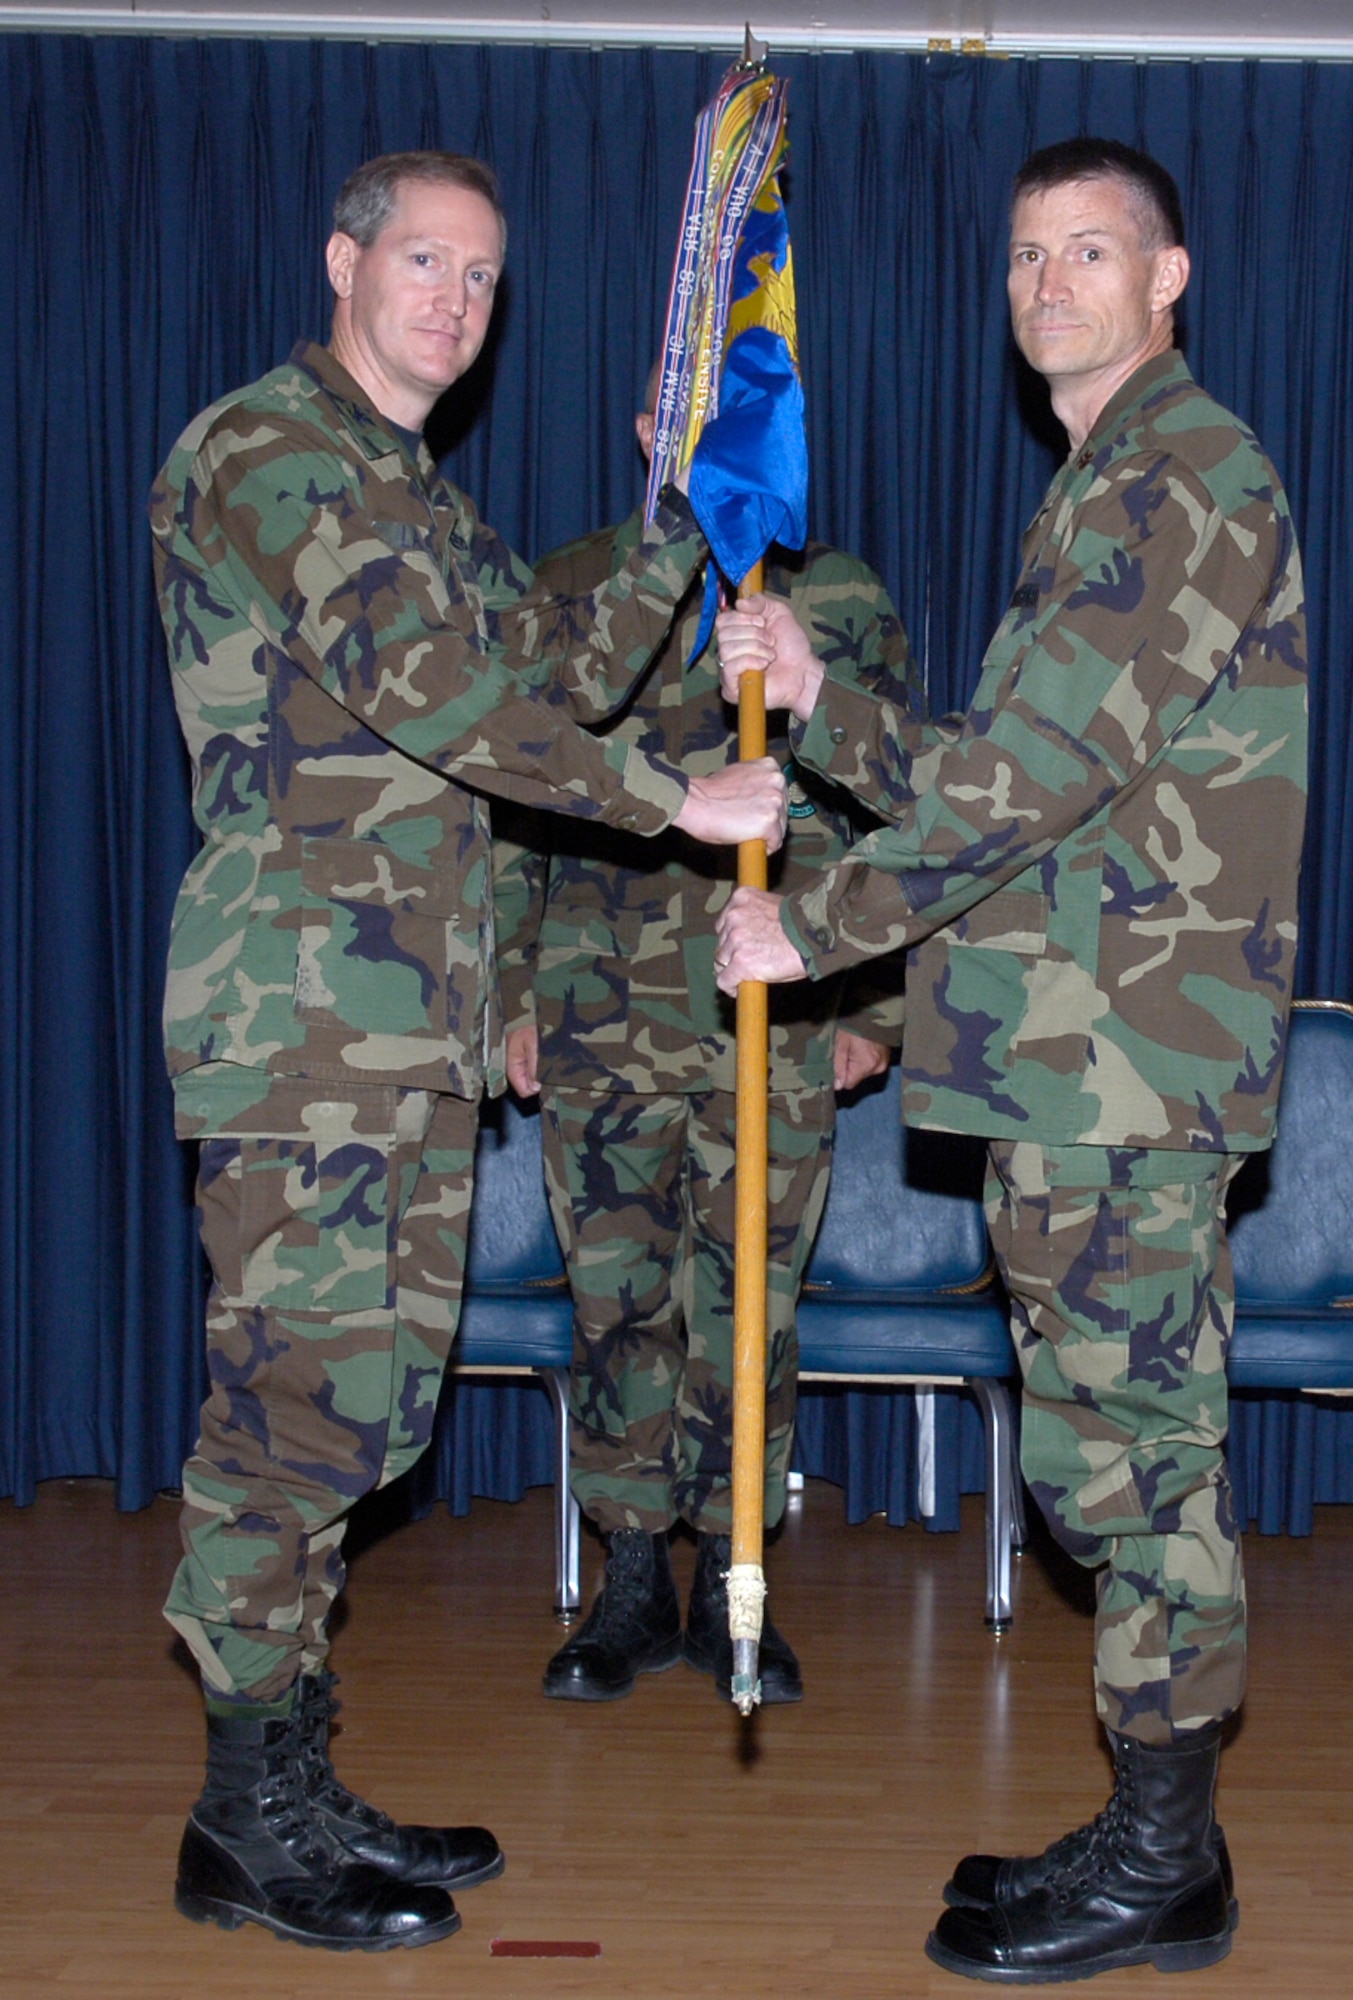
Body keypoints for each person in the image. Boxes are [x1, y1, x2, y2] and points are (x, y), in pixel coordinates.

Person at [149, 150, 786, 1953]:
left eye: (486, 278)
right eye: (425, 260)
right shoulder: (271, 454)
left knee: (363, 1420)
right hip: (300, 1027)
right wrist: (678, 801)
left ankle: (288, 1774)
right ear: (344, 260)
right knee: (292, 1422)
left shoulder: (406, 491)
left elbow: (550, 662)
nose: (456, 300)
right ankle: (242, 1818)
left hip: (401, 1030)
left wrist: (676, 517)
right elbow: (443, 699)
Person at [715, 137, 1308, 1983]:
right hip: (1086, 1066)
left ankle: (1167, 1864)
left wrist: (816, 929)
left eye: (1093, 251)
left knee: (1138, 1475)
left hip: (1126, 1073)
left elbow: (1029, 778)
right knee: (1108, 1468)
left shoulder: (1179, 477)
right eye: (1028, 255)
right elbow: (1025, 771)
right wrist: (827, 705)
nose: (1050, 283)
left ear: (1171, 277)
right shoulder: (1113, 484)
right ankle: (1151, 1828)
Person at [494, 372, 913, 1706]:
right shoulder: (572, 585)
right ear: (642, 429)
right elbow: (509, 801)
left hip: (773, 1017)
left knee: (752, 1309)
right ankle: (628, 1580)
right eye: (678, 419)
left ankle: (740, 1573)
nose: (701, 446)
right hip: (598, 1010)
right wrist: (506, 992)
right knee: (616, 1305)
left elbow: (889, 812)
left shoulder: (835, 600)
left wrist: (877, 1007)